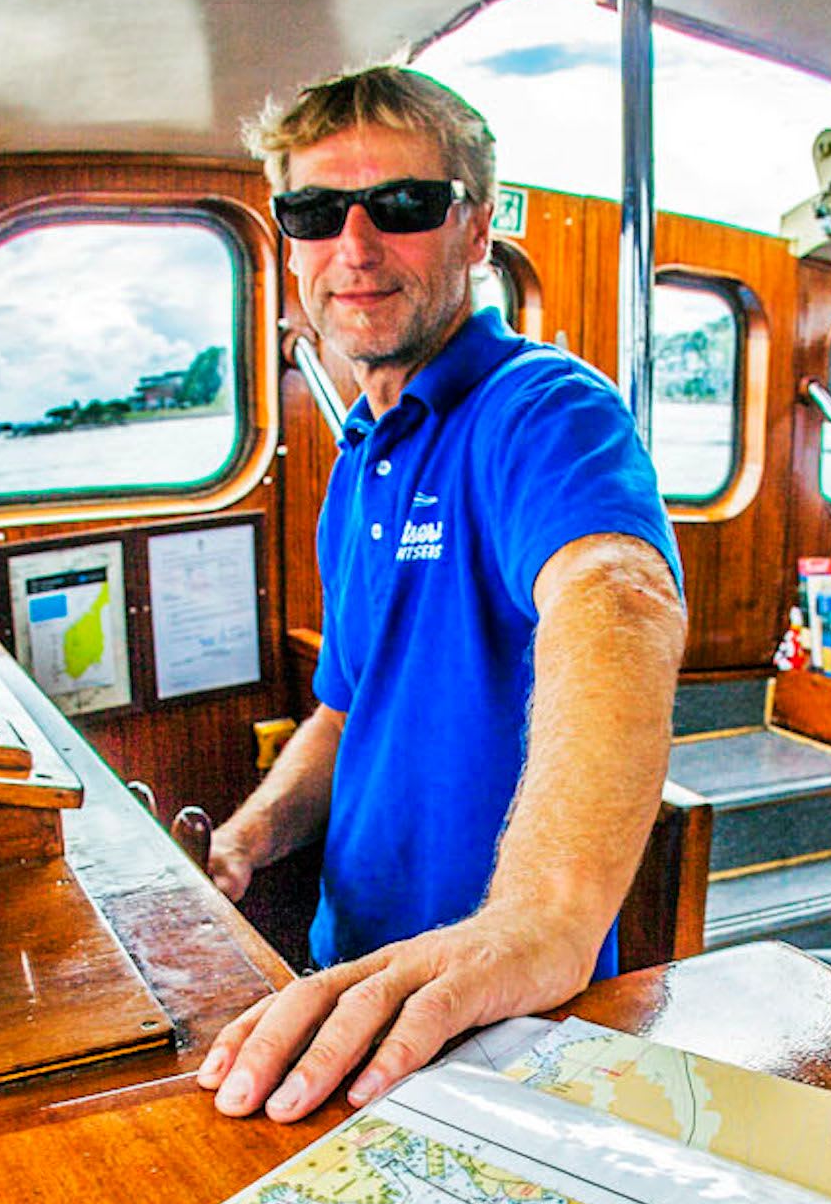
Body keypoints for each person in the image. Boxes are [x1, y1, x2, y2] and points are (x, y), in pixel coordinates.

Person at [199, 64, 687, 1122]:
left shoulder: (541, 408)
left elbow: (616, 594)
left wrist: (544, 917)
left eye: (405, 206)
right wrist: (246, 838)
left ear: (474, 232)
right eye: (316, 212)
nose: (356, 246)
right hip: (349, 975)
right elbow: (345, 707)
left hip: (498, 1012)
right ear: (289, 241)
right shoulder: (358, 464)